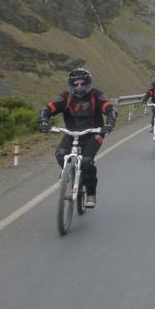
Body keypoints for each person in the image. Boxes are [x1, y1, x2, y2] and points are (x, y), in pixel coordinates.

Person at [39, 67, 117, 209]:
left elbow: (109, 108)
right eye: (76, 84)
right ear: (71, 85)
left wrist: (110, 122)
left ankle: (91, 193)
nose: (79, 87)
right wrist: (44, 120)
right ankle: (69, 171)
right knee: (60, 154)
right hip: (71, 133)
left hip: (94, 133)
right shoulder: (66, 97)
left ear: (88, 83)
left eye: (83, 83)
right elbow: (48, 108)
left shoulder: (95, 95)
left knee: (87, 162)